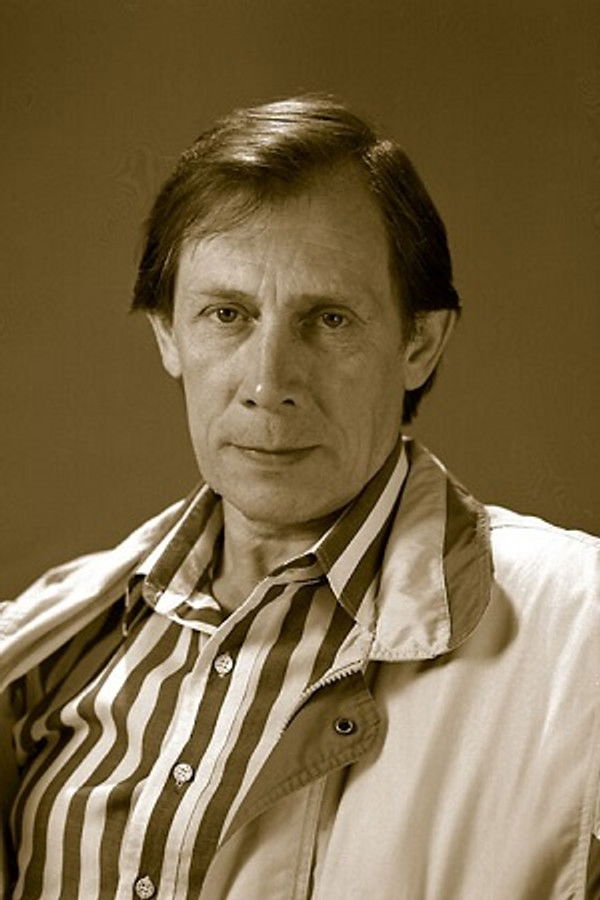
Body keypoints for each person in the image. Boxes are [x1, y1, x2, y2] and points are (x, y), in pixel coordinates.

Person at [1, 95, 598, 900]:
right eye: (227, 314)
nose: (268, 381)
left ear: (419, 342)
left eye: (329, 319)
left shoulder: (581, 639)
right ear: (168, 334)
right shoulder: (48, 647)